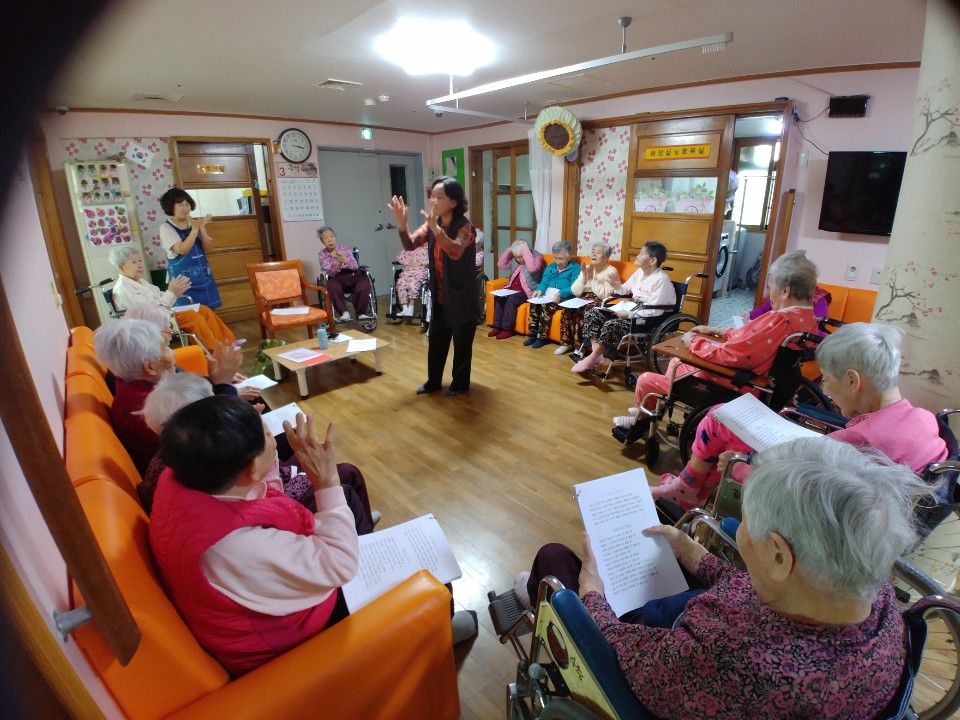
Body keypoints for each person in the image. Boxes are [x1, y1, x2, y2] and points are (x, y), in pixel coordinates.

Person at [515, 437, 928, 719]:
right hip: (713, 643)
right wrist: (696, 555)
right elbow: (771, 590)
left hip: (661, 662)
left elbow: (619, 648)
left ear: (780, 555)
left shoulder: (730, 663)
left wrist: (591, 595)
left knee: (554, 558)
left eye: (746, 522)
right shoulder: (879, 603)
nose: (741, 533)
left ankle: (535, 595)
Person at [149, 398, 360, 675]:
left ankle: (355, 530)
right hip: (284, 638)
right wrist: (327, 480)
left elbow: (255, 491)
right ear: (250, 469)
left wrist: (256, 448)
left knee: (345, 486)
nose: (271, 431)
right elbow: (341, 564)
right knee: (343, 490)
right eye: (267, 433)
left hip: (253, 594)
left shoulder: (185, 474)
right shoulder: (235, 546)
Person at [656, 322, 949, 509]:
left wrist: (738, 469)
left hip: (814, 510)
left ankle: (686, 490)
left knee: (719, 420)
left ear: (852, 381)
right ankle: (691, 491)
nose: (826, 391)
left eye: (827, 379)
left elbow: (796, 493)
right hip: (863, 500)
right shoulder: (925, 419)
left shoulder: (859, 440)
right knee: (721, 419)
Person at [139, 373, 378, 533]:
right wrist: (263, 446)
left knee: (330, 467)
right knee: (346, 478)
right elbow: (268, 492)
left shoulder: (177, 455)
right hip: (267, 500)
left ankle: (359, 521)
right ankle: (362, 532)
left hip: (257, 493)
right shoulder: (208, 462)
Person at [620, 250, 820, 429]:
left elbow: (730, 355)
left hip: (739, 384)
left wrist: (694, 342)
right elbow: (752, 339)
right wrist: (718, 331)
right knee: (675, 363)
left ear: (785, 290)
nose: (770, 294)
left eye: (770, 287)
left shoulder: (778, 320)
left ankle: (642, 417)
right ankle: (652, 406)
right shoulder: (808, 319)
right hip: (761, 380)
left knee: (649, 377)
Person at [93, 319, 241, 475]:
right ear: (150, 367)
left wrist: (215, 381)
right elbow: (220, 437)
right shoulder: (156, 405)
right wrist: (224, 383)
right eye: (166, 347)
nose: (174, 353)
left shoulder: (127, 386)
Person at [388, 177, 478, 397]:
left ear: (453, 202)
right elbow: (410, 244)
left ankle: (459, 384)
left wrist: (436, 229)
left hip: (461, 297)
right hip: (439, 296)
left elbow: (455, 251)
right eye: (432, 196)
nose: (433, 201)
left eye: (439, 197)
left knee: (462, 345)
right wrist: (402, 224)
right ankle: (433, 382)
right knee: (436, 342)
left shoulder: (465, 227)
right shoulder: (432, 224)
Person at [570, 241, 676, 373]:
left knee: (611, 324)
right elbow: (625, 290)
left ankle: (592, 358)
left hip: (647, 317)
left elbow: (654, 310)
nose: (637, 256)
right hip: (633, 307)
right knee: (592, 313)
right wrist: (617, 285)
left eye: (642, 253)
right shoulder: (639, 272)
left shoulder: (661, 280)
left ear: (652, 260)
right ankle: (597, 354)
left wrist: (629, 314)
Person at [108, 245, 236, 349]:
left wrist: (176, 292)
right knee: (193, 317)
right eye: (134, 262)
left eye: (140, 260)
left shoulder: (141, 281)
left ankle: (229, 343)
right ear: (121, 267)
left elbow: (160, 296)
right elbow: (150, 311)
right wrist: (171, 292)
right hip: (151, 321)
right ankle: (212, 350)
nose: (140, 265)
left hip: (165, 312)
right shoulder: (122, 288)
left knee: (203, 310)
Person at [158, 188, 222, 310]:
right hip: (183, 284)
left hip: (204, 279)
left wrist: (201, 227)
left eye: (187, 204)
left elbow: (208, 247)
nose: (185, 208)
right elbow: (182, 250)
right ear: (171, 206)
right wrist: (195, 229)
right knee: (189, 316)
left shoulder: (193, 223)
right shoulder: (166, 228)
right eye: (180, 204)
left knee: (209, 313)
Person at [556, 242, 622, 356]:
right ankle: (567, 343)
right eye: (593, 252)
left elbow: (605, 295)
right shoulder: (586, 268)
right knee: (567, 308)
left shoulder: (611, 271)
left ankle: (582, 347)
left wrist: (591, 280)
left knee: (585, 311)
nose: (594, 254)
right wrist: (584, 279)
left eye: (598, 252)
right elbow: (575, 291)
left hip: (599, 300)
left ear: (606, 257)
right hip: (582, 297)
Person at [524, 240, 580, 349]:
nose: (557, 262)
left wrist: (561, 293)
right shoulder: (551, 267)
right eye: (555, 258)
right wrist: (539, 290)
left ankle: (541, 338)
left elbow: (575, 287)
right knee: (534, 304)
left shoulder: (575, 268)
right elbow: (544, 283)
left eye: (561, 259)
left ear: (569, 257)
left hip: (564, 297)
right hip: (547, 295)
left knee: (546, 306)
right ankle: (532, 335)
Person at [488, 240, 544, 340]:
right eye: (516, 257)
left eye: (521, 256)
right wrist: (511, 249)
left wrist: (525, 250)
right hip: (511, 289)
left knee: (512, 300)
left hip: (526, 292)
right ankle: (497, 326)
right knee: (499, 298)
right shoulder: (515, 261)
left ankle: (507, 329)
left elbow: (532, 269)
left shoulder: (537, 257)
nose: (519, 259)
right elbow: (501, 264)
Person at [317, 226, 374, 323]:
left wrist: (345, 260)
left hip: (353, 274)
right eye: (325, 238)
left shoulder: (345, 248)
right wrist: (339, 263)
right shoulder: (322, 254)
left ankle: (361, 313)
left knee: (363, 283)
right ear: (322, 241)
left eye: (332, 236)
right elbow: (330, 272)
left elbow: (355, 266)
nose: (330, 240)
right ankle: (344, 313)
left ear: (335, 237)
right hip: (337, 277)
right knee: (331, 285)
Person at [394, 243, 429, 318]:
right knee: (400, 283)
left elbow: (433, 259)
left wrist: (421, 262)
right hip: (407, 273)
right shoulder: (408, 249)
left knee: (413, 284)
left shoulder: (426, 249)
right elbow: (399, 257)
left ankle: (411, 308)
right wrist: (408, 262)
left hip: (420, 273)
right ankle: (404, 309)